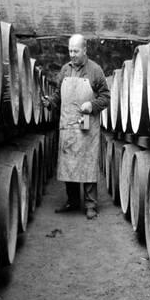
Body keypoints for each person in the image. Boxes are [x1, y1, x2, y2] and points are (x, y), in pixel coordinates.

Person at [42, 34, 110, 220]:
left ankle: (90, 205)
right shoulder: (64, 70)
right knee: (69, 164)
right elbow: (58, 94)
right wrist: (50, 103)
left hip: (86, 125)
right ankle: (72, 201)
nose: (72, 54)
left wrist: (92, 105)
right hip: (68, 125)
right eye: (70, 50)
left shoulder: (95, 70)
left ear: (84, 50)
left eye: (75, 51)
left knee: (87, 163)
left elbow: (106, 97)